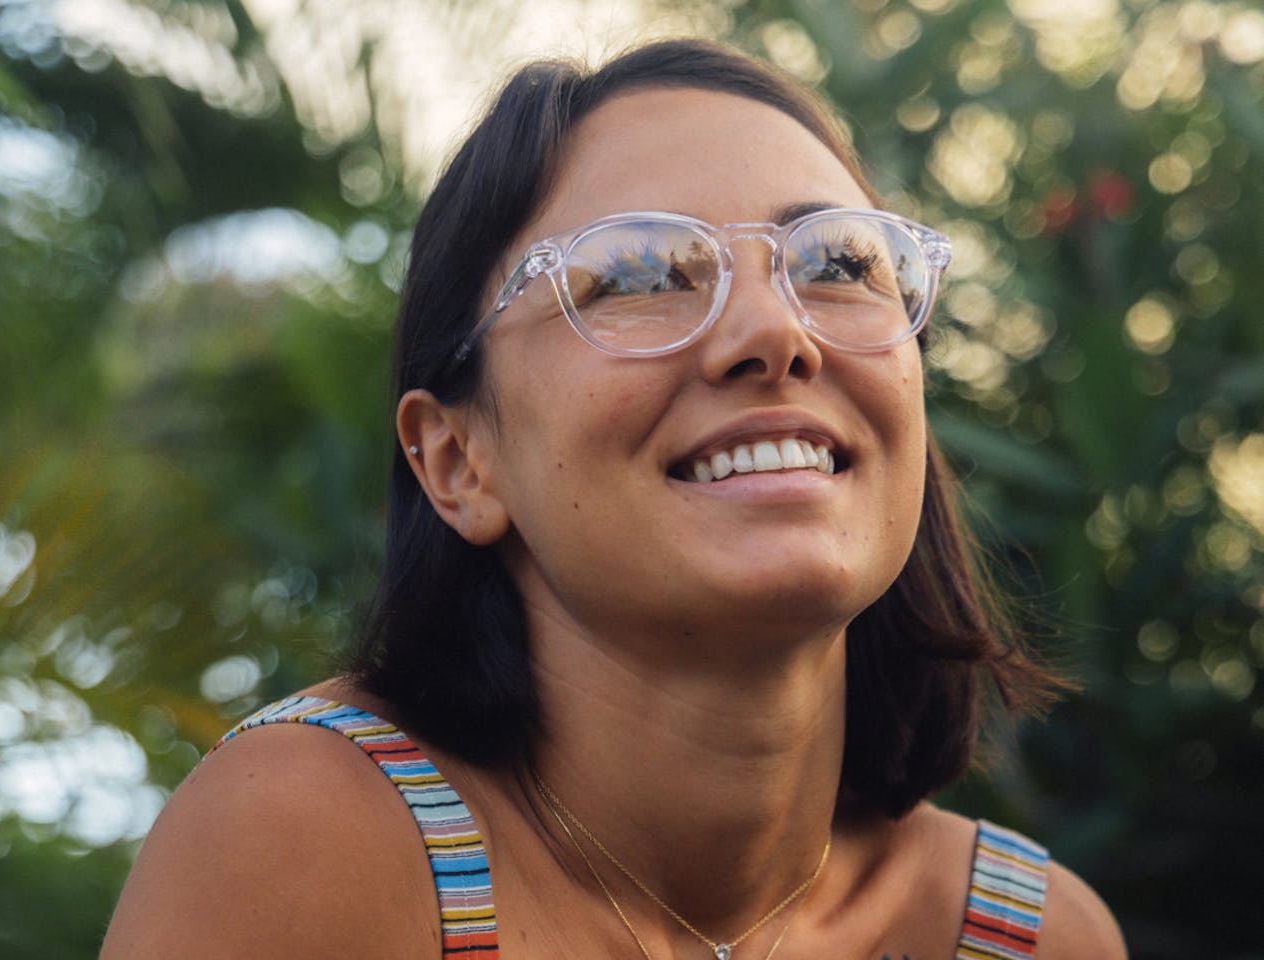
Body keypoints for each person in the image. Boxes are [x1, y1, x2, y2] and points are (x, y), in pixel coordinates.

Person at [101, 37, 1127, 959]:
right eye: (639, 274)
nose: (774, 332)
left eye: (837, 262)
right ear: (458, 461)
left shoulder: (1031, 935)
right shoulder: (303, 847)